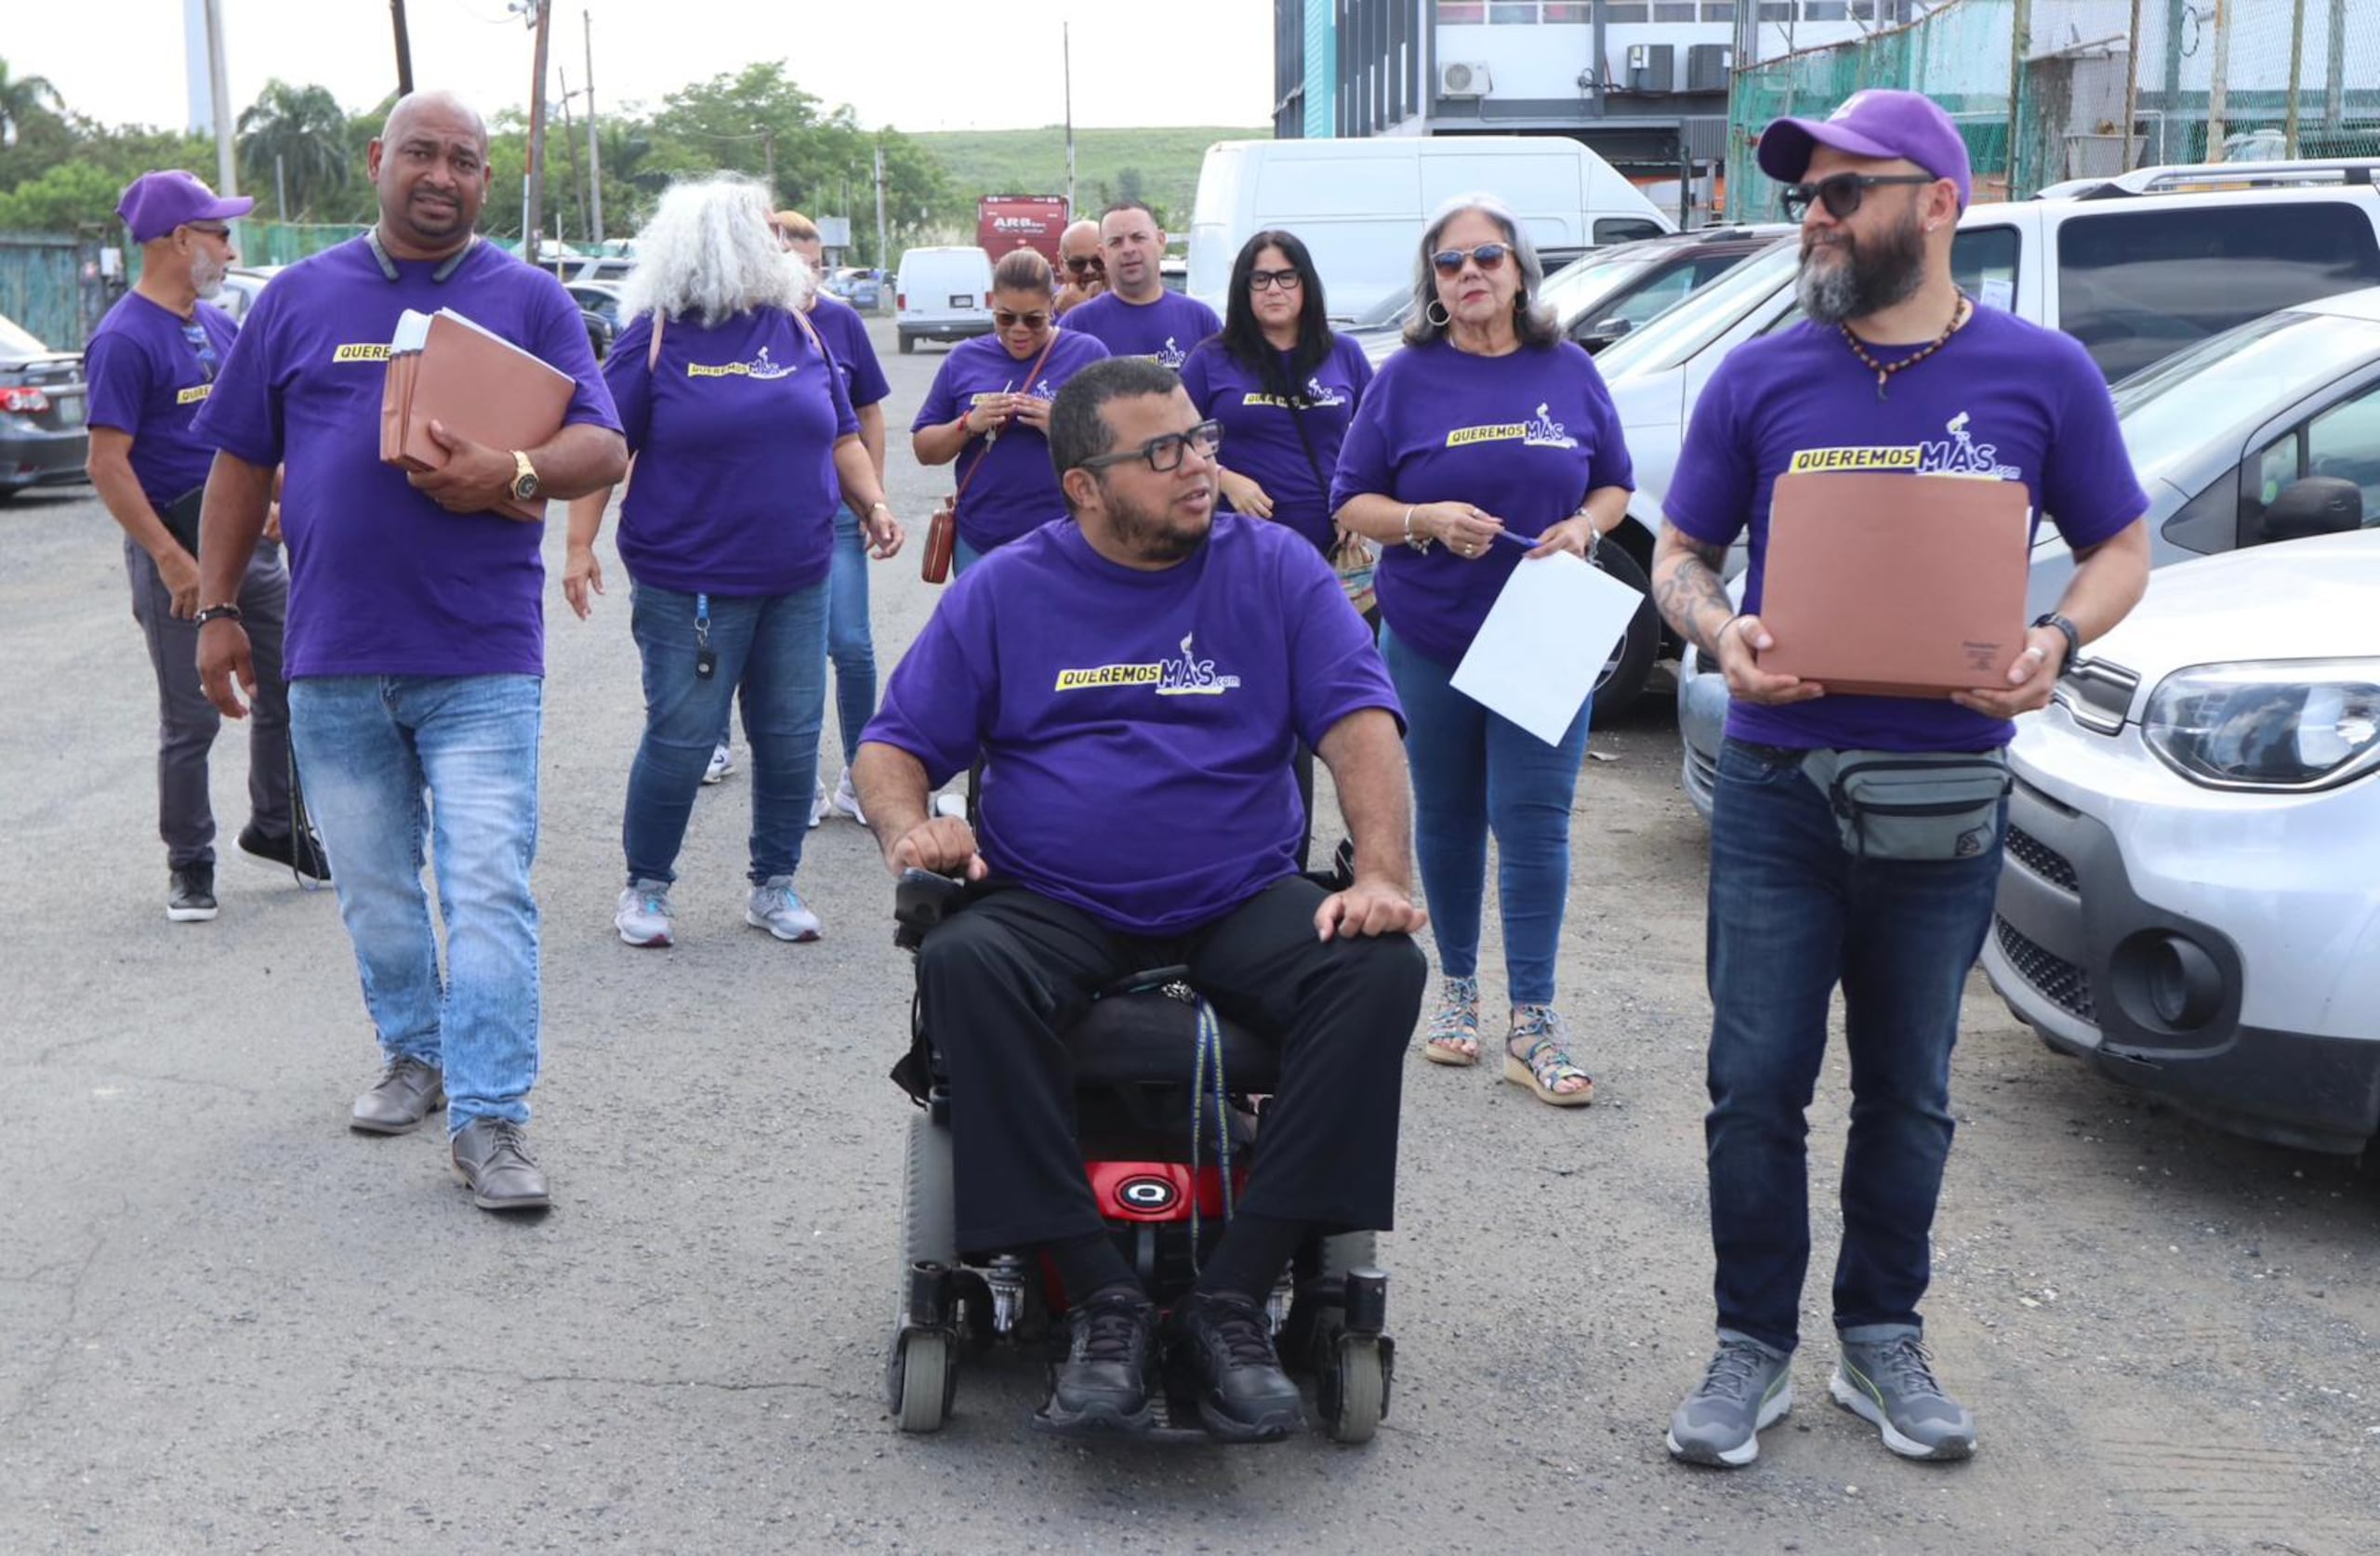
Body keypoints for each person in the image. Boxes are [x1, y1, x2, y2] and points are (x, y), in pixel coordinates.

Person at [1650, 89, 2151, 1468]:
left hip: (1942, 798)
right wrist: (1718, 630)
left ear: (1941, 201)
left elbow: (2120, 549)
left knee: (1910, 1088)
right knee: (1754, 1081)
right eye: (1806, 194)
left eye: (1841, 190)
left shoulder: (2042, 374)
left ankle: (1881, 1340)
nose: (1812, 214)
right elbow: (1678, 553)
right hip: (1776, 794)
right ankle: (1749, 1345)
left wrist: (2056, 635)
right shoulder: (1758, 379)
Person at [853, 356, 1428, 1443]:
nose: (1198, 466)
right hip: (1056, 898)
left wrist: (1386, 876)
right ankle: (1098, 1294)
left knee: (1378, 968)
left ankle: (1233, 1295)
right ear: (1084, 486)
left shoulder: (1276, 571)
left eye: (1200, 439)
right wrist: (908, 829)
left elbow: (1360, 720)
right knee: (962, 960)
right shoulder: (1010, 587)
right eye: (1161, 453)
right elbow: (894, 743)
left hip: (1237, 894)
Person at [192, 90, 628, 1212]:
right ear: (378, 160)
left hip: (480, 659)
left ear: (488, 180)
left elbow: (601, 440)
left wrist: (515, 475)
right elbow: (240, 466)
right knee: (379, 890)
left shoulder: (529, 300)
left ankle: (493, 1122)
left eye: (466, 160)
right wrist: (216, 609)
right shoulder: (296, 297)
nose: (443, 174)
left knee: (486, 887)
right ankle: (416, 1052)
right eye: (422, 153)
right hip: (333, 656)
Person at [1330, 193, 1633, 1109]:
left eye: (1487, 258)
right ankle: (1456, 995)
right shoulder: (1405, 378)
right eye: (1450, 263)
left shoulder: (1568, 369)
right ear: (1432, 283)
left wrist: (1582, 525)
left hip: (1543, 633)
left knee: (1533, 821)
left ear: (1519, 272)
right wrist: (1423, 518)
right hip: (1431, 633)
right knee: (1452, 818)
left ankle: (1531, 1021)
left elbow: (1614, 481)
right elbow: (1351, 500)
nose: (1469, 275)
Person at [565, 178, 903, 952]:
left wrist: (874, 503)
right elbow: (605, 450)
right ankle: (647, 887)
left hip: (798, 573)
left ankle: (774, 885)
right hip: (690, 583)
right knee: (682, 737)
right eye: (760, 233)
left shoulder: (801, 332)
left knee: (789, 738)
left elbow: (841, 434)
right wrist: (579, 548)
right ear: (715, 245)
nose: (779, 246)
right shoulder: (655, 335)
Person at [85, 169, 325, 922]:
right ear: (178, 239)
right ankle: (189, 860)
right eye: (219, 233)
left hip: (246, 546)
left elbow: (248, 441)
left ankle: (279, 824)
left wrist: (282, 497)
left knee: (288, 684)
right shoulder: (123, 339)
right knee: (190, 715)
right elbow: (106, 463)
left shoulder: (220, 328)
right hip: (177, 553)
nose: (230, 246)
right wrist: (167, 557)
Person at [693, 209, 899, 825]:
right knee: (779, 656)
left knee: (852, 645)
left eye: (814, 267)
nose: (806, 277)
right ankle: (797, 778)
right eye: (794, 264)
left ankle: (861, 777)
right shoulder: (743, 325)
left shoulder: (839, 322)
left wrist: (873, 499)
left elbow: (867, 418)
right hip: (760, 521)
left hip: (836, 513)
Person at [1180, 228, 1376, 868]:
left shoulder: (1343, 355)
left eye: (1285, 276)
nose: (1273, 289)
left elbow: (1377, 441)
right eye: (1260, 278)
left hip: (1334, 570)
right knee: (1263, 712)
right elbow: (1176, 442)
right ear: (1242, 289)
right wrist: (1226, 478)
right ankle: (1275, 859)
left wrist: (1359, 499)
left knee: (1339, 708)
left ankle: (1354, 848)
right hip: (1242, 563)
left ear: (1306, 283)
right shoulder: (1213, 360)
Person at [911, 249, 1108, 572]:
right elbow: (924, 449)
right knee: (981, 624)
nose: (1019, 329)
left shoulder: (1086, 353)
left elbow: (1121, 443)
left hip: (1066, 541)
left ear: (1052, 306)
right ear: (992, 303)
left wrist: (1062, 426)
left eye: (1033, 319)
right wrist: (968, 424)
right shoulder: (964, 359)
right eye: (1006, 318)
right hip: (981, 541)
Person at [1063, 201, 1219, 368]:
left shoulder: (1201, 321)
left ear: (1161, 241)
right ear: (1102, 254)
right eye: (1116, 242)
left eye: (1138, 238)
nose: (1128, 249)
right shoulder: (1076, 325)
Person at [1052, 218, 1105, 317]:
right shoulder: (1041, 314)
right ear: (1061, 263)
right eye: (1078, 264)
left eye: (1098, 262)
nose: (1090, 270)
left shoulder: (1133, 303)